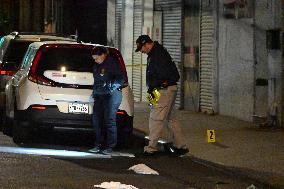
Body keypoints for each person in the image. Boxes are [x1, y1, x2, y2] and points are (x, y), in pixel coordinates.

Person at [135, 35, 189, 156]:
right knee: (171, 118)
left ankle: (151, 148)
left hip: (162, 90)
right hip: (160, 90)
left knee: (155, 119)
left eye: (141, 49)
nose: (142, 52)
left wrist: (157, 89)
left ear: (146, 44)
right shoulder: (156, 53)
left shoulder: (158, 55)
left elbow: (164, 75)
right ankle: (181, 146)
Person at [89, 46, 124, 154]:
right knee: (96, 120)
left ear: (103, 55)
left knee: (109, 120)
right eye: (94, 58)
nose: (95, 60)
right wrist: (94, 93)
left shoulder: (112, 64)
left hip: (111, 95)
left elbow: (120, 79)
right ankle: (98, 144)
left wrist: (110, 88)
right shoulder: (97, 65)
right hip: (99, 95)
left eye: (96, 58)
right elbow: (97, 81)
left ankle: (110, 146)